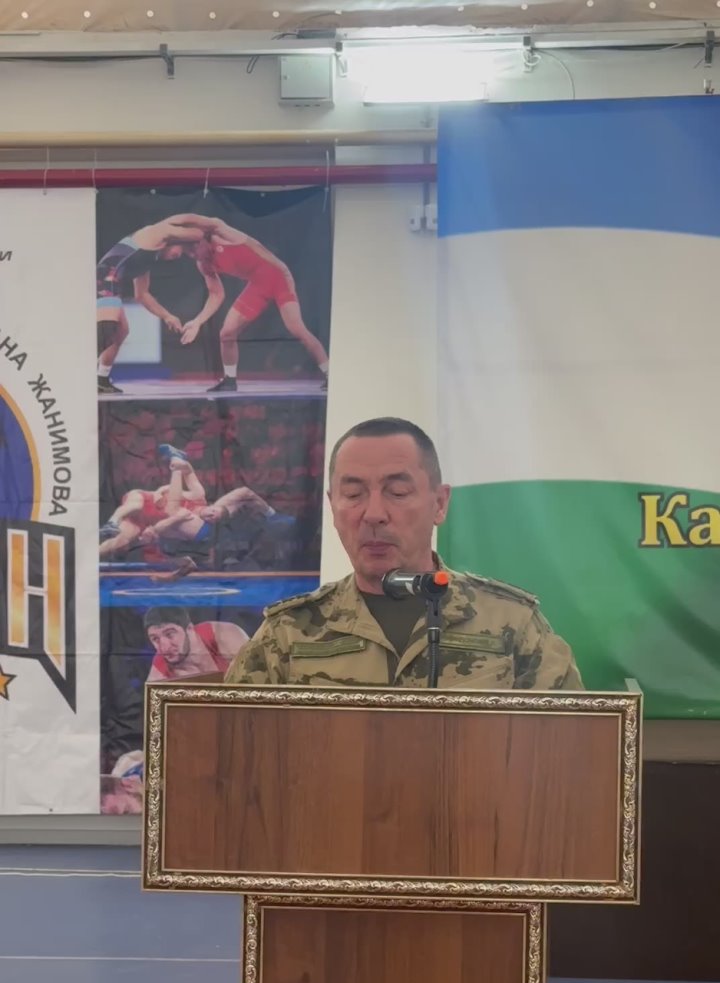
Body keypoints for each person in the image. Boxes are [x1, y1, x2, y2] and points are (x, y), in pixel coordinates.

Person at [224, 417, 583, 690]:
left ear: (439, 503)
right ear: (332, 507)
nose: (374, 514)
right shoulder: (287, 635)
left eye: (397, 492)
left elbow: (568, 750)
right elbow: (233, 750)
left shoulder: (512, 625)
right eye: (353, 495)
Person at [176, 218, 329, 392]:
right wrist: (197, 322)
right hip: (258, 284)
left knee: (297, 329)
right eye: (188, 253)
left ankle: (330, 373)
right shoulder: (204, 264)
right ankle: (230, 380)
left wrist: (177, 222)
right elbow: (216, 294)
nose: (193, 255)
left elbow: (212, 223)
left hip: (278, 276)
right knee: (226, 333)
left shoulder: (224, 235)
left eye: (194, 248)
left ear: (203, 239)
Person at [96, 213, 218, 394]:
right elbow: (192, 226)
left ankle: (101, 379)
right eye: (184, 251)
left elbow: (142, 295)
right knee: (107, 330)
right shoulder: (155, 233)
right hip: (105, 277)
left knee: (120, 332)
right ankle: (74, 370)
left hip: (111, 281)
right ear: (177, 239)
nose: (180, 256)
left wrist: (167, 316)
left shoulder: (149, 257)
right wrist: (216, 226)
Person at [144, 606, 249, 681]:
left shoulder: (224, 635)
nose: (164, 647)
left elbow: (257, 673)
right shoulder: (160, 671)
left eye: (170, 634)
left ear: (189, 629)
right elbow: (152, 703)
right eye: (155, 639)